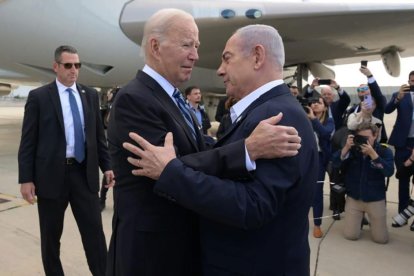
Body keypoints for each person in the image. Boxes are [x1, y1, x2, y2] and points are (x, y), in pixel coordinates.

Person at [106, 10, 302, 276]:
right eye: (186, 45)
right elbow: (167, 170)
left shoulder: (173, 98)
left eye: (196, 46)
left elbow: (192, 157)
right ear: (155, 47)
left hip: (179, 248)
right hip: (152, 255)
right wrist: (247, 149)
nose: (195, 55)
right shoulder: (135, 100)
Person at [18, 45, 115, 276]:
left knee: (94, 235)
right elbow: (28, 141)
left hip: (84, 175)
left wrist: (108, 166)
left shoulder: (89, 95)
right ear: (56, 67)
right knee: (51, 239)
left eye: (78, 65)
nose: (74, 70)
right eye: (68, 65)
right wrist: (26, 179)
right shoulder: (39, 97)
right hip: (52, 177)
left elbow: (98, 137)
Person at [332, 122, 394, 244]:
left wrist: (373, 155)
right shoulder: (353, 150)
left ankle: (373, 223)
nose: (363, 141)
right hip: (354, 198)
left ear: (375, 135)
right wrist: (346, 148)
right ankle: (357, 221)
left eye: (367, 138)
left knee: (381, 239)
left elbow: (389, 172)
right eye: (360, 138)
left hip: (375, 199)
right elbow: (335, 163)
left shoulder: (383, 151)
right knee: (350, 236)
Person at [385, 70, 414, 220]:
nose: (413, 83)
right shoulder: (400, 94)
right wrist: (398, 98)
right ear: (408, 81)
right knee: (403, 178)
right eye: (412, 81)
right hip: (403, 142)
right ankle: (402, 213)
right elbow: (387, 110)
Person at [305, 96, 335, 238]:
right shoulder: (304, 119)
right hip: (304, 158)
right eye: (313, 102)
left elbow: (325, 134)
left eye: (319, 102)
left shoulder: (329, 121)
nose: (316, 104)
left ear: (325, 107)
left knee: (317, 191)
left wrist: (313, 119)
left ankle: (317, 225)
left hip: (320, 159)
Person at [349, 65, 387, 143]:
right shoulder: (354, 109)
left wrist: (369, 76)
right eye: (359, 89)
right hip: (358, 142)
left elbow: (377, 93)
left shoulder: (378, 103)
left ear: (371, 90)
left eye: (365, 88)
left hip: (377, 143)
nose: (362, 90)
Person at [99, 87, 119, 211]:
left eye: (109, 93)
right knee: (108, 173)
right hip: (108, 146)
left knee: (117, 175)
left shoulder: (118, 108)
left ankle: (117, 201)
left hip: (117, 146)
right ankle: (102, 200)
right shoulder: (108, 108)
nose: (107, 94)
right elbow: (104, 123)